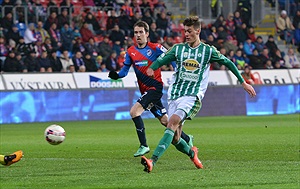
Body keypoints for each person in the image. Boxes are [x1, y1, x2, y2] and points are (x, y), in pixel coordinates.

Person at [142, 16, 256, 173]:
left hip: (192, 96)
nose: (186, 34)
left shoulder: (208, 51)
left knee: (172, 123)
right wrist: (151, 67)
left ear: (198, 30)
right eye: (184, 31)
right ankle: (191, 153)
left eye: (189, 31)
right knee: (175, 138)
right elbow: (162, 60)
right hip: (175, 95)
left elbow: (228, 62)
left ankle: (152, 161)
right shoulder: (178, 49)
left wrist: (243, 82)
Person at [108, 21, 193, 157]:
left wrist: (177, 71)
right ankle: (187, 138)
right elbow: (124, 71)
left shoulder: (156, 48)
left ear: (147, 34)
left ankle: (144, 145)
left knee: (134, 112)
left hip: (155, 88)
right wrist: (116, 76)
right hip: (145, 90)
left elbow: (171, 57)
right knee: (165, 121)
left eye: (141, 32)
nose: (138, 35)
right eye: (136, 32)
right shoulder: (130, 52)